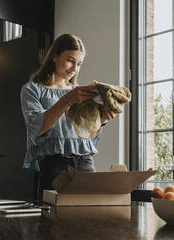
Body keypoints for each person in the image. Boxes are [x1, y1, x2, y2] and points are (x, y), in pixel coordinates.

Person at [20, 34, 115, 199]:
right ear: (54, 56)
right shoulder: (32, 90)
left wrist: (103, 120)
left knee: (88, 217)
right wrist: (66, 100)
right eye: (70, 60)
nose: (74, 69)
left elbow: (87, 136)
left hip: (85, 163)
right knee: (53, 220)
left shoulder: (81, 92)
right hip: (55, 165)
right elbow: (37, 129)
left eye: (79, 64)